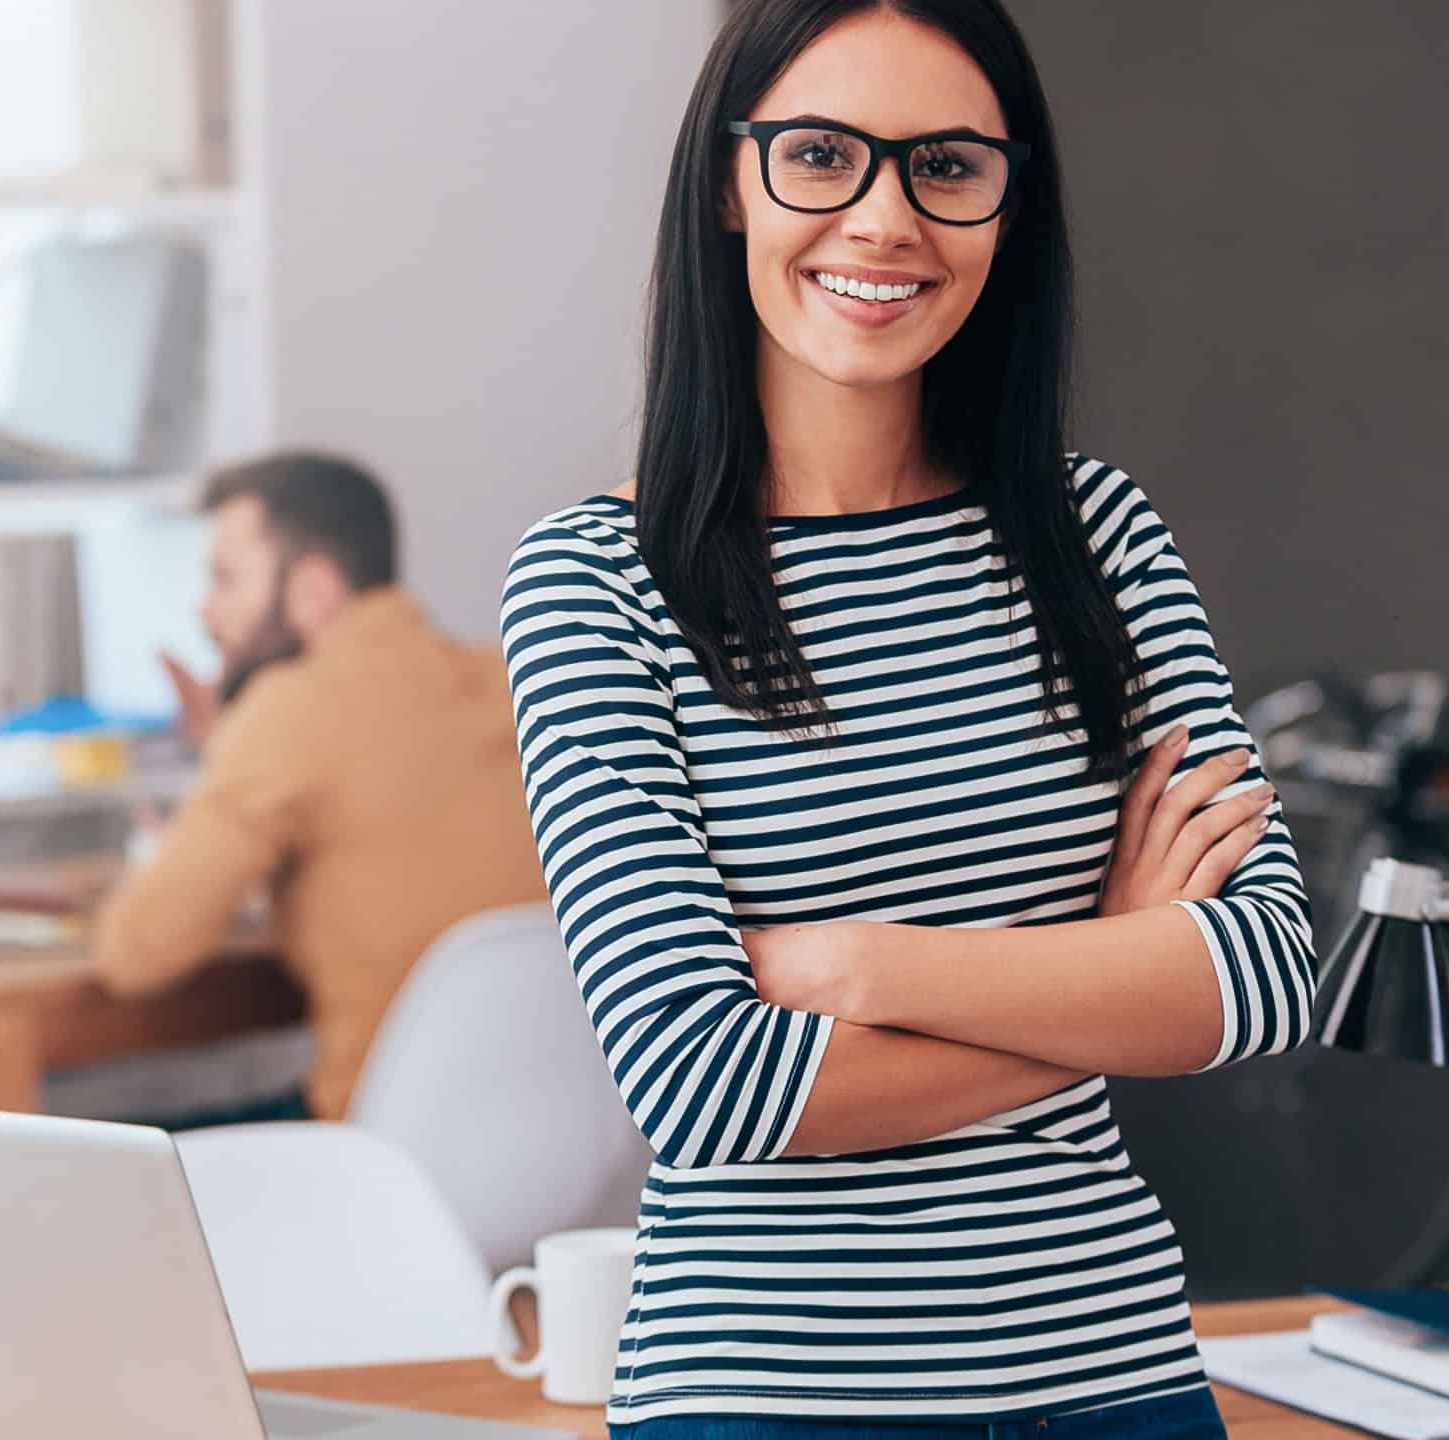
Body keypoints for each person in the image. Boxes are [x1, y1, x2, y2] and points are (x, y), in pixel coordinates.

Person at [499, 4, 1317, 1436]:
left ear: (1010, 202)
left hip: (1115, 1380)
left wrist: (868, 968)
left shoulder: (1098, 536)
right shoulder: (597, 584)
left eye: (945, 164)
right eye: (821, 155)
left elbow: (1260, 977)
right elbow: (704, 1086)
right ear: (728, 182)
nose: (883, 220)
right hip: (764, 1399)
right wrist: (1111, 974)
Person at [92, 453, 551, 1123]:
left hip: (383, 1153)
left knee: (88, 1161)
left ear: (312, 589)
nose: (206, 609)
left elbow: (134, 955)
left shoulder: (290, 710)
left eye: (225, 579)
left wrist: (223, 761)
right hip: (561, 1157)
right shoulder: (509, 680)